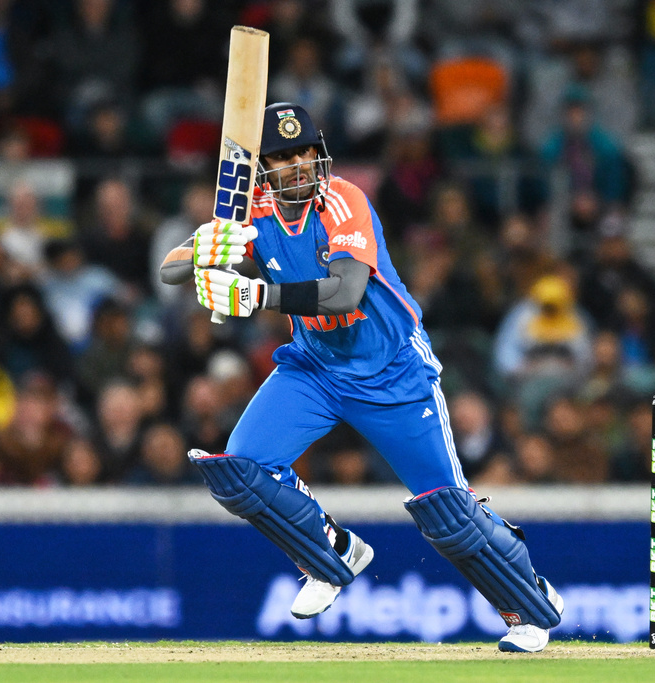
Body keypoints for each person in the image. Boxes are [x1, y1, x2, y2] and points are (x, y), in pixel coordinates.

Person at [160, 102, 563, 652]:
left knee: (448, 510)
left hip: (393, 374)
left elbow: (345, 291)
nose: (298, 166)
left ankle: (531, 605)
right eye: (283, 158)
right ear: (266, 169)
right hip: (316, 369)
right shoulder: (247, 211)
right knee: (240, 469)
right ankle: (331, 554)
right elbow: (170, 269)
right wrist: (205, 249)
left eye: (304, 152)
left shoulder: (344, 201)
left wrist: (256, 294)